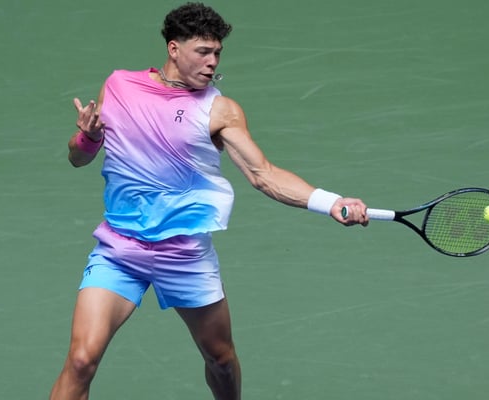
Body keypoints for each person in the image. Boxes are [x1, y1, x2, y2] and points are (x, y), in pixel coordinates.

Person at [49, 2, 368, 399]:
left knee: (220, 359)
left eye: (217, 53)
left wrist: (330, 201)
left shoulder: (220, 110)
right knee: (81, 360)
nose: (212, 62)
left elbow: (263, 174)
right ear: (174, 49)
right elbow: (78, 158)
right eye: (203, 51)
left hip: (184, 255)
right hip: (120, 249)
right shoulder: (119, 86)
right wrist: (89, 137)